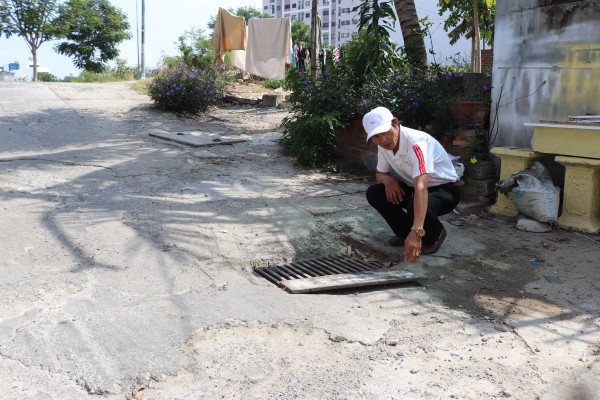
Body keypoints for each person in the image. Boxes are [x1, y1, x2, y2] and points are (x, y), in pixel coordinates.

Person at [362, 107, 463, 265]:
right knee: (375, 193)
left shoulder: (417, 143)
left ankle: (435, 234)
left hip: (444, 189)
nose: (382, 140)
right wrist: (387, 180)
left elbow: (422, 188)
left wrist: (417, 231)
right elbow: (380, 173)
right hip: (413, 186)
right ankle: (404, 233)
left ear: (395, 122)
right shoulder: (384, 146)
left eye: (385, 132)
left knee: (414, 207)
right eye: (375, 137)